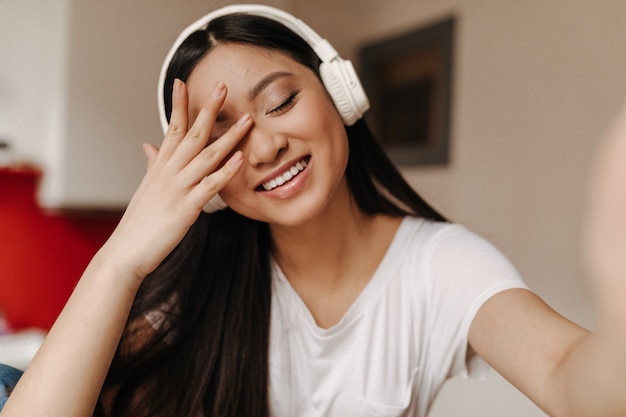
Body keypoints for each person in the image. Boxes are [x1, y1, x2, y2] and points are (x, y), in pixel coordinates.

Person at [1, 4, 626, 417]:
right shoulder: (195, 289)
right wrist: (122, 260)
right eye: (226, 135)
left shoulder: (438, 266)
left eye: (279, 102)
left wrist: (615, 284)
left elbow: (572, 381)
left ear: (340, 91)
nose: (266, 146)